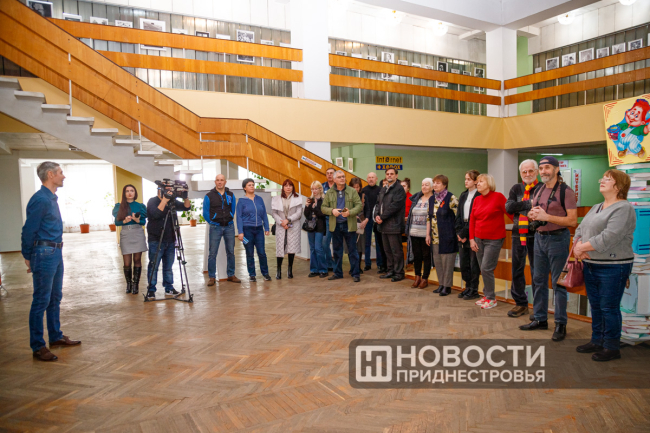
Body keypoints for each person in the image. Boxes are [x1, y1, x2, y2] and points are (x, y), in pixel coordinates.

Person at [574, 170, 635, 362]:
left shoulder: (624, 208)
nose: (602, 181)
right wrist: (577, 245)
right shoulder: (596, 207)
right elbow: (580, 228)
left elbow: (609, 236)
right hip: (591, 263)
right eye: (602, 178)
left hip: (614, 266)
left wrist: (581, 248)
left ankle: (611, 347)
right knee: (596, 306)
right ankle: (597, 340)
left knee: (609, 307)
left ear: (619, 186)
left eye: (608, 179)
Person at [21, 161, 80, 362]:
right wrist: (28, 255)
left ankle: (55, 336)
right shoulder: (40, 199)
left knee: (55, 297)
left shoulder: (51, 198)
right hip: (44, 253)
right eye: (60, 172)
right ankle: (38, 346)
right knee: (41, 300)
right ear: (50, 174)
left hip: (55, 251)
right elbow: (29, 230)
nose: (63, 176)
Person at [520, 156, 578, 341]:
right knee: (538, 280)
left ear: (556, 169)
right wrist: (532, 214)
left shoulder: (566, 192)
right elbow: (536, 211)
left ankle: (560, 323)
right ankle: (540, 318)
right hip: (539, 238)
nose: (544, 171)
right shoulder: (539, 189)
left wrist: (548, 217)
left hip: (558, 239)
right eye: (542, 168)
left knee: (558, 283)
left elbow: (572, 221)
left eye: (547, 167)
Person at [505, 160, 541, 318]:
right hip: (518, 234)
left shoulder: (543, 188)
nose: (528, 174)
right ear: (521, 173)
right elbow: (509, 207)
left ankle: (538, 308)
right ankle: (520, 303)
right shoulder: (516, 188)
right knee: (517, 270)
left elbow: (543, 207)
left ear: (537, 172)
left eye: (531, 171)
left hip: (537, 235)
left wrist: (520, 205)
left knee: (537, 272)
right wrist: (530, 203)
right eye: (524, 172)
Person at [145, 182, 191, 300]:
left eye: (171, 190)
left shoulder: (172, 202)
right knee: (154, 265)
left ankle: (169, 287)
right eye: (167, 190)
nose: (169, 192)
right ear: (160, 190)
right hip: (156, 239)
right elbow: (156, 214)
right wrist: (164, 200)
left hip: (170, 238)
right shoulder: (152, 201)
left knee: (168, 266)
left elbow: (186, 207)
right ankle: (151, 290)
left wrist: (185, 197)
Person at [470, 174, 509, 310]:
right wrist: (471, 239)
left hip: (494, 239)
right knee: (483, 268)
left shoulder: (498, 197)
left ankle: (491, 298)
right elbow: (472, 220)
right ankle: (487, 295)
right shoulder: (477, 199)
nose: (478, 184)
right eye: (477, 182)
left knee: (487, 267)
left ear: (489, 183)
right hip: (478, 238)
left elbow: (510, 213)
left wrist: (523, 225)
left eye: (481, 181)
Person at [321, 170, 363, 282]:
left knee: (352, 250)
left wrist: (350, 212)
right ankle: (338, 273)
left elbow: (359, 205)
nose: (342, 178)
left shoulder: (352, 191)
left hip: (349, 225)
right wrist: (332, 210)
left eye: (343, 176)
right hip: (335, 225)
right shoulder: (329, 192)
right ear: (334, 179)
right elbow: (323, 208)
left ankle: (355, 273)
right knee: (337, 251)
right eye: (339, 177)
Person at [203, 174, 240, 286]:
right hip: (215, 227)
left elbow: (232, 210)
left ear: (225, 182)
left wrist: (229, 217)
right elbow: (205, 212)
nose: (220, 182)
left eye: (222, 180)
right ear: (215, 182)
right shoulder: (209, 196)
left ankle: (231, 275)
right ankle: (212, 277)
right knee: (212, 253)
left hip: (229, 227)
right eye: (218, 180)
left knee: (231, 252)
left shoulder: (231, 195)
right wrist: (213, 222)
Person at [112, 184, 148, 295]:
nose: (129, 193)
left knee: (137, 260)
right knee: (127, 262)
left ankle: (135, 285)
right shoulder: (119, 206)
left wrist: (137, 220)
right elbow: (116, 222)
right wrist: (125, 221)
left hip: (137, 233)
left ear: (135, 193)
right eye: (127, 191)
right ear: (124, 193)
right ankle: (129, 284)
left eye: (132, 190)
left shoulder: (140, 206)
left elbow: (143, 222)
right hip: (125, 234)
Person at [428, 175, 459, 296]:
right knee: (438, 262)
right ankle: (441, 284)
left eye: (438, 183)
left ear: (445, 185)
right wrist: (428, 234)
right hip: (435, 237)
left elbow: (458, 217)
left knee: (447, 263)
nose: (435, 185)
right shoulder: (432, 199)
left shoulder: (451, 198)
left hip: (448, 237)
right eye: (434, 183)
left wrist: (457, 233)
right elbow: (429, 217)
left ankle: (447, 286)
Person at [236, 178, 271, 282]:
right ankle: (252, 275)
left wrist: (266, 227)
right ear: (244, 188)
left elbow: (264, 214)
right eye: (249, 185)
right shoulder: (241, 201)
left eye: (252, 185)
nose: (252, 186)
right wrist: (240, 232)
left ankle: (265, 273)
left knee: (262, 252)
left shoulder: (259, 199)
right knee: (249, 253)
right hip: (247, 231)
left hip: (259, 230)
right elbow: (239, 217)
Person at [375, 168, 407, 282]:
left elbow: (395, 206)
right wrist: (376, 215)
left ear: (396, 176)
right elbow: (378, 204)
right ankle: (390, 270)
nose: (389, 175)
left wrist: (382, 217)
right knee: (387, 250)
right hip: (383, 225)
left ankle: (399, 273)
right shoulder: (384, 189)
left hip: (394, 225)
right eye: (387, 174)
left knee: (396, 251)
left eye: (392, 174)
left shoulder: (399, 189)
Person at [455, 170, 481, 300]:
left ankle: (474, 289)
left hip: (473, 231)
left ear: (476, 181)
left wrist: (465, 232)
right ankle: (467, 286)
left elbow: (474, 217)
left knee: (473, 263)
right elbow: (459, 215)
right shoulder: (463, 195)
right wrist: (459, 232)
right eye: (465, 179)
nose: (466, 181)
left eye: (469, 179)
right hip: (462, 230)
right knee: (464, 262)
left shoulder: (479, 196)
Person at [406, 178, 434, 289]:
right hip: (414, 232)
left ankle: (425, 278)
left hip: (426, 233)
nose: (424, 187)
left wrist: (429, 234)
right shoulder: (416, 199)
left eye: (427, 185)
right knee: (416, 256)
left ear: (432, 187)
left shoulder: (434, 200)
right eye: (422, 185)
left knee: (426, 256)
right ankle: (417, 277)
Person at [271, 179, 303, 279]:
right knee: (280, 248)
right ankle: (278, 271)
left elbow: (299, 213)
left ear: (293, 187)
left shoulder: (298, 198)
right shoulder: (276, 198)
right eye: (286, 185)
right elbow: (274, 213)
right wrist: (282, 222)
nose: (288, 187)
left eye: (290, 185)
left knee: (291, 248)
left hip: (293, 225)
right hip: (281, 226)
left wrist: (288, 220)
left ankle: (290, 270)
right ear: (283, 187)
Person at [360, 172, 384, 272]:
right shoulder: (363, 190)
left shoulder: (381, 190)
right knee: (367, 242)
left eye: (373, 177)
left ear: (376, 179)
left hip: (378, 219)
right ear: (367, 179)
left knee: (379, 242)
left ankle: (380, 263)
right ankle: (367, 264)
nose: (371, 179)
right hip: (367, 219)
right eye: (369, 177)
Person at [304, 181, 328, 278]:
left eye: (316, 189)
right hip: (310, 226)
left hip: (320, 227)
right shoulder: (310, 200)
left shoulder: (324, 200)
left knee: (318, 248)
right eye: (312, 189)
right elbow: (306, 215)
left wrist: (314, 208)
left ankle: (323, 269)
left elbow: (323, 214)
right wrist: (307, 206)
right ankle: (314, 270)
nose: (314, 191)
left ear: (320, 189)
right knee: (312, 249)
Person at [347, 177, 367, 273]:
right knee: (350, 246)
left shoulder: (363, 196)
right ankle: (352, 267)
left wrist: (365, 220)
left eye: (357, 187)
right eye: (354, 187)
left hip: (361, 224)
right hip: (349, 223)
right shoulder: (346, 196)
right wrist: (350, 214)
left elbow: (368, 210)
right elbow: (343, 209)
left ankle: (358, 267)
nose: (356, 189)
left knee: (359, 246)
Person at [322, 168, 336, 271]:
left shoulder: (340, 186)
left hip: (338, 219)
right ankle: (330, 263)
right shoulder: (322, 187)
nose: (329, 175)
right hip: (325, 219)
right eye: (328, 173)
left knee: (337, 244)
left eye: (331, 173)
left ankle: (337, 264)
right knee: (324, 243)